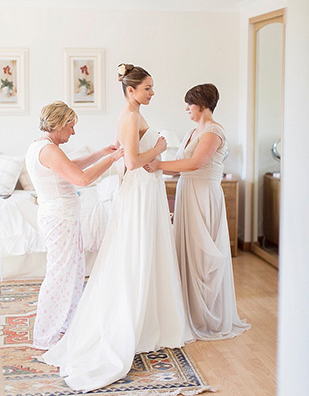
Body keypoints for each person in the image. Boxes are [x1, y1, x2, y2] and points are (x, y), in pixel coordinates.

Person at [41, 65, 192, 392]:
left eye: (152, 87)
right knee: (134, 254)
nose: (152, 93)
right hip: (138, 191)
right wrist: (161, 148)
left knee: (148, 252)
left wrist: (155, 153)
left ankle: (152, 318)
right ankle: (129, 323)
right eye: (148, 88)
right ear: (131, 90)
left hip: (146, 190)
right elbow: (132, 161)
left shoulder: (134, 116)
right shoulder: (129, 117)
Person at [147, 84, 250, 340]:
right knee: (187, 251)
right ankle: (189, 312)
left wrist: (159, 163)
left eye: (189, 105)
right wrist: (153, 164)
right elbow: (180, 166)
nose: (186, 109)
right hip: (187, 192)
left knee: (203, 256)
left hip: (203, 195)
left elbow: (195, 163)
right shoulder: (192, 132)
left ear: (202, 105)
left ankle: (208, 316)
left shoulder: (214, 132)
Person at [26, 101, 124, 350]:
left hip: (61, 219)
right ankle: (46, 334)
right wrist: (113, 158)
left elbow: (73, 166)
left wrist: (102, 153)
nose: (73, 132)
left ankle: (63, 327)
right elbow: (82, 178)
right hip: (60, 220)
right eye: (71, 126)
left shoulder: (44, 146)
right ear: (58, 124)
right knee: (60, 276)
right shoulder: (48, 150)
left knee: (71, 274)